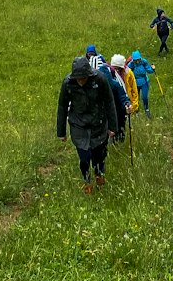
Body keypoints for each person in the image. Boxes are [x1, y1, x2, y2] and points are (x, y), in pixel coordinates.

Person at [57, 55, 117, 194]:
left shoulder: (100, 79)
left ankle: (99, 174)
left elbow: (109, 102)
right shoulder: (67, 83)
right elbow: (62, 106)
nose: (81, 81)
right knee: (84, 157)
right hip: (78, 125)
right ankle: (86, 180)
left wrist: (112, 127)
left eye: (83, 78)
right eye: (78, 79)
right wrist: (61, 132)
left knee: (99, 155)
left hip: (98, 123)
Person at [127, 49, 156, 117]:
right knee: (136, 98)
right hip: (135, 83)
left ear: (140, 58)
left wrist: (153, 69)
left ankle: (147, 109)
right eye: (135, 60)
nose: (137, 61)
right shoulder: (131, 64)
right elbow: (127, 72)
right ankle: (136, 111)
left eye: (138, 59)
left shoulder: (144, 62)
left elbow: (148, 70)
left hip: (144, 81)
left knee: (145, 97)